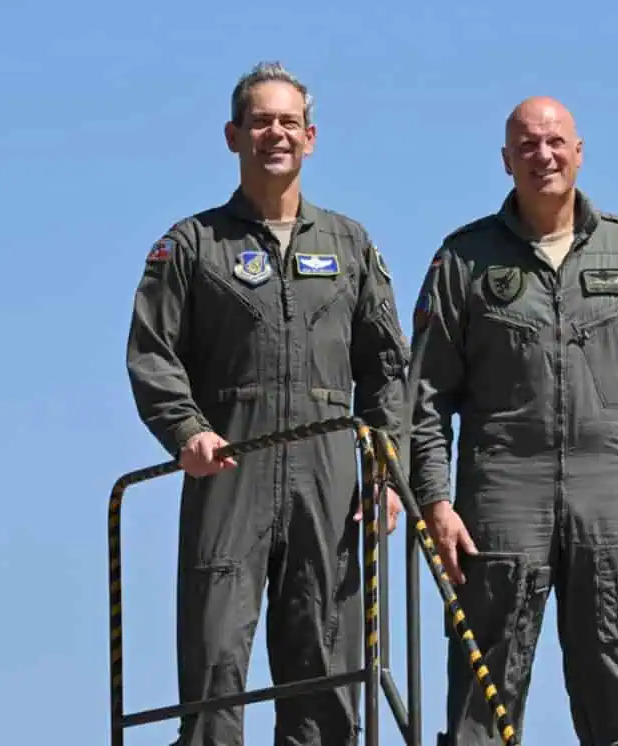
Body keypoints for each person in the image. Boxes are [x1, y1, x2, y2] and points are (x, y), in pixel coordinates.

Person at [407, 95, 618, 746]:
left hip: (612, 498)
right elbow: (423, 397)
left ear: (578, 151)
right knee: (482, 702)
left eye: (555, 142)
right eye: (527, 145)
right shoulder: (463, 261)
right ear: (506, 160)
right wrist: (434, 499)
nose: (543, 155)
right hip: (500, 496)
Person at [125, 61, 408, 746]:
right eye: (260, 122)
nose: (274, 134)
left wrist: (386, 470)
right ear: (233, 136)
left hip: (330, 481)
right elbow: (151, 352)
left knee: (326, 661)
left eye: (288, 122)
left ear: (310, 137)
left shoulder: (350, 244)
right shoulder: (192, 245)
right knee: (216, 659)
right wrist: (186, 432)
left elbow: (389, 370)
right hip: (230, 471)